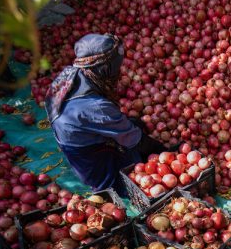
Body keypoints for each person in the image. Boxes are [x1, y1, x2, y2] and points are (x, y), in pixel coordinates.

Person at [45, 33, 163, 194]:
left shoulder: (70, 74)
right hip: (91, 160)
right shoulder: (95, 107)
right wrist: (164, 151)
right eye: (116, 67)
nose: (119, 72)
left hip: (74, 137)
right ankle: (111, 186)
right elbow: (135, 140)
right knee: (136, 171)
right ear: (105, 68)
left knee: (136, 124)